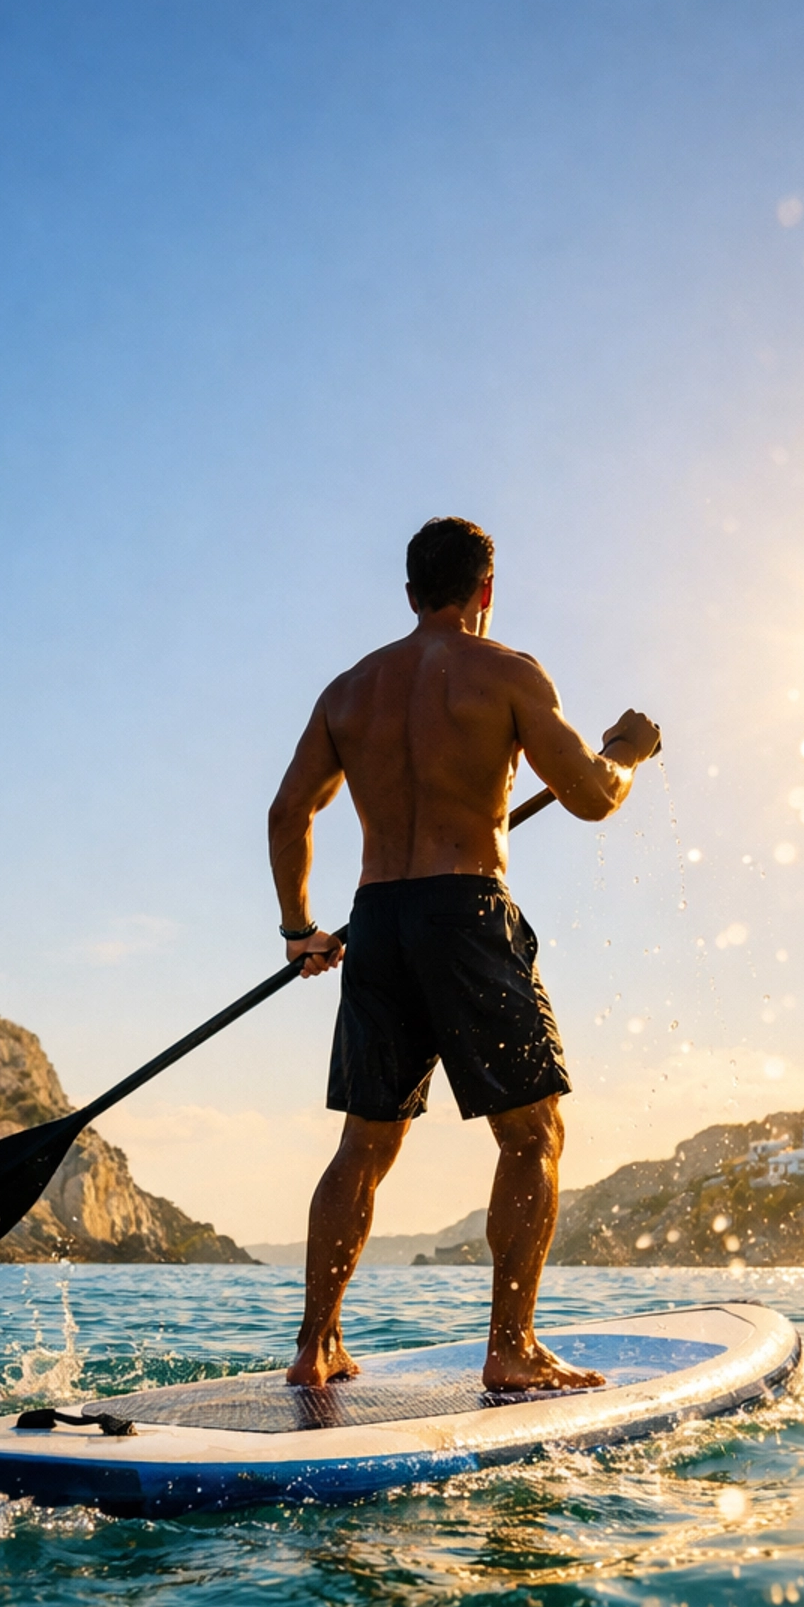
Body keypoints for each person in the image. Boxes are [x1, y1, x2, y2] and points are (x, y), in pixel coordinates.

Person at [268, 516, 660, 1390]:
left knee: (361, 1147)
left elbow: (288, 813)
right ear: (488, 589)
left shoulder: (348, 691)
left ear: (410, 594)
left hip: (376, 919)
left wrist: (300, 929)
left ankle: (315, 1347)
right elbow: (593, 797)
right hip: (465, 912)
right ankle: (511, 1349)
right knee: (531, 1136)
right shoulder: (506, 673)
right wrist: (626, 751)